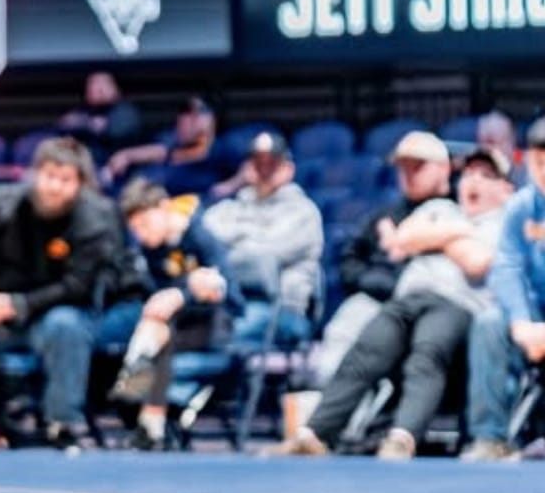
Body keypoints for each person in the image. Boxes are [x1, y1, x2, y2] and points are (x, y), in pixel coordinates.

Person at [282, 148, 512, 459]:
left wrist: (434, 237)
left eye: (486, 176)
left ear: (505, 189)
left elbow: (477, 262)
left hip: (457, 305)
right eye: (469, 174)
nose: (474, 182)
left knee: (426, 355)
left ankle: (401, 440)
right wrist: (460, 232)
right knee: (364, 352)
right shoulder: (441, 207)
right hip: (407, 299)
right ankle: (314, 434)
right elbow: (399, 241)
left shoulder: (507, 223)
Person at [0, 137, 117, 450]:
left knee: (65, 325)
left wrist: (15, 305)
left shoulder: (94, 219)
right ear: (35, 174)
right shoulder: (3, 204)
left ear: (80, 184)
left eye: (65, 180)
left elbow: (78, 287)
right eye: (49, 176)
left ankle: (62, 424)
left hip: (55, 316)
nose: (54, 187)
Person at [315, 131, 452, 385]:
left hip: (427, 311)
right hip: (373, 302)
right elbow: (349, 260)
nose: (409, 175)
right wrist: (372, 281)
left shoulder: (453, 213)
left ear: (444, 169)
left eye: (418, 166)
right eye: (403, 167)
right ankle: (329, 411)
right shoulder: (384, 216)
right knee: (344, 329)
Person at [109, 180, 236, 450]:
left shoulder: (200, 233)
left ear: (164, 208)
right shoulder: (150, 249)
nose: (141, 234)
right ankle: (147, 416)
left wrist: (184, 294)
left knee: (160, 327)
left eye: (144, 224)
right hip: (173, 324)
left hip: (216, 321)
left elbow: (225, 287)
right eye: (135, 229)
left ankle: (137, 394)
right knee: (153, 324)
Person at [466, 117, 545, 461]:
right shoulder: (521, 207)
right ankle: (490, 438)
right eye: (540, 163)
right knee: (488, 323)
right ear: (527, 161)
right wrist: (521, 322)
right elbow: (508, 267)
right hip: (532, 314)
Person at [200, 132, 324, 352]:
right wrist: (250, 235)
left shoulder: (303, 211)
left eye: (272, 164)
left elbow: (262, 258)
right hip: (229, 301)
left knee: (226, 332)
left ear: (288, 169)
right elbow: (203, 236)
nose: (264, 171)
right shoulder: (233, 206)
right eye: (258, 163)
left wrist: (230, 242)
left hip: (282, 309)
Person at [105, 96, 218, 193]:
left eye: (200, 112)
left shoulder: (222, 149)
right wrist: (125, 155)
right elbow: (160, 150)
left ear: (212, 119)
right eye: (185, 111)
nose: (188, 118)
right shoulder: (170, 142)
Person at [57, 72, 142, 164]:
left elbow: (117, 131)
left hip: (119, 169)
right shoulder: (85, 110)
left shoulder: (125, 111)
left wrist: (85, 124)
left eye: (103, 84)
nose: (96, 88)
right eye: (92, 84)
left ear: (116, 89)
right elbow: (64, 124)